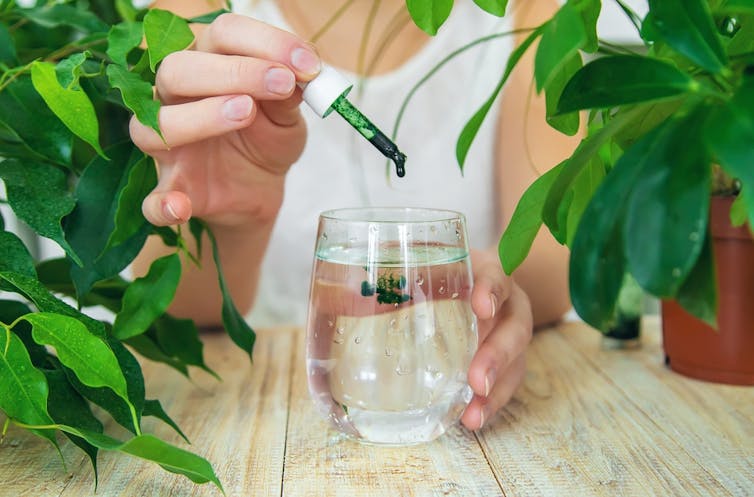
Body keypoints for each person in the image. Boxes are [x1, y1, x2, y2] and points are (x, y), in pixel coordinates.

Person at [131, 0, 575, 432]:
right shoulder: (196, 24)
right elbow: (176, 314)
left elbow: (551, 270)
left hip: (437, 377)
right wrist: (229, 221)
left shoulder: (523, 16)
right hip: (256, 412)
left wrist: (492, 291)